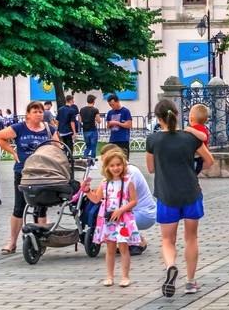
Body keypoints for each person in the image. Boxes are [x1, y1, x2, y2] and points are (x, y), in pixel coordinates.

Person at [146, 98, 214, 297]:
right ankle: (191, 282)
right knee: (191, 237)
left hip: (166, 194)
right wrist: (194, 170)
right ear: (177, 114)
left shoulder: (153, 140)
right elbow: (209, 160)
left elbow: (150, 168)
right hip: (191, 193)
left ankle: (170, 267)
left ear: (159, 119)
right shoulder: (189, 137)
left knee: (168, 240)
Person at [0, 99, 59, 254]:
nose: (38, 114)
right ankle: (12, 242)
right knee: (19, 206)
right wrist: (13, 152)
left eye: (40, 111)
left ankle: (41, 241)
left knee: (41, 206)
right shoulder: (19, 128)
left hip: (43, 172)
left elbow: (58, 147)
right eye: (35, 111)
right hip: (23, 172)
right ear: (28, 114)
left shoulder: (49, 129)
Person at [90, 146, 143, 288]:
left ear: (123, 165)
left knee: (124, 247)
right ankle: (109, 276)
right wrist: (87, 190)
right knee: (110, 248)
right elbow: (96, 199)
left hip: (123, 219)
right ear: (107, 167)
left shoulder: (128, 181)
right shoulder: (104, 183)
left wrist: (121, 210)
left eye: (118, 165)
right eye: (112, 165)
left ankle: (125, 276)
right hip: (108, 220)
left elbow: (133, 200)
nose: (116, 168)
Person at [56, 93, 81, 168]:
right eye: (73, 100)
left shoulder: (60, 109)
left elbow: (57, 120)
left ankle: (64, 160)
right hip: (69, 131)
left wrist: (57, 130)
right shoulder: (72, 110)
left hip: (61, 131)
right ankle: (69, 161)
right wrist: (74, 132)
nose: (73, 101)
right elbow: (72, 122)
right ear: (70, 100)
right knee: (70, 147)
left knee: (64, 145)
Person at [187, 103, 210, 175]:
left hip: (197, 158)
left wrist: (191, 130)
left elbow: (204, 137)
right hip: (197, 158)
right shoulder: (203, 128)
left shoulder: (198, 128)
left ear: (191, 118)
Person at [80, 95, 101, 161]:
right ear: (93, 101)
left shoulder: (82, 109)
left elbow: (80, 120)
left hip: (85, 130)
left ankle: (85, 158)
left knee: (88, 146)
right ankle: (92, 161)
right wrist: (94, 119)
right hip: (93, 130)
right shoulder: (95, 110)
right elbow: (99, 121)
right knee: (93, 147)